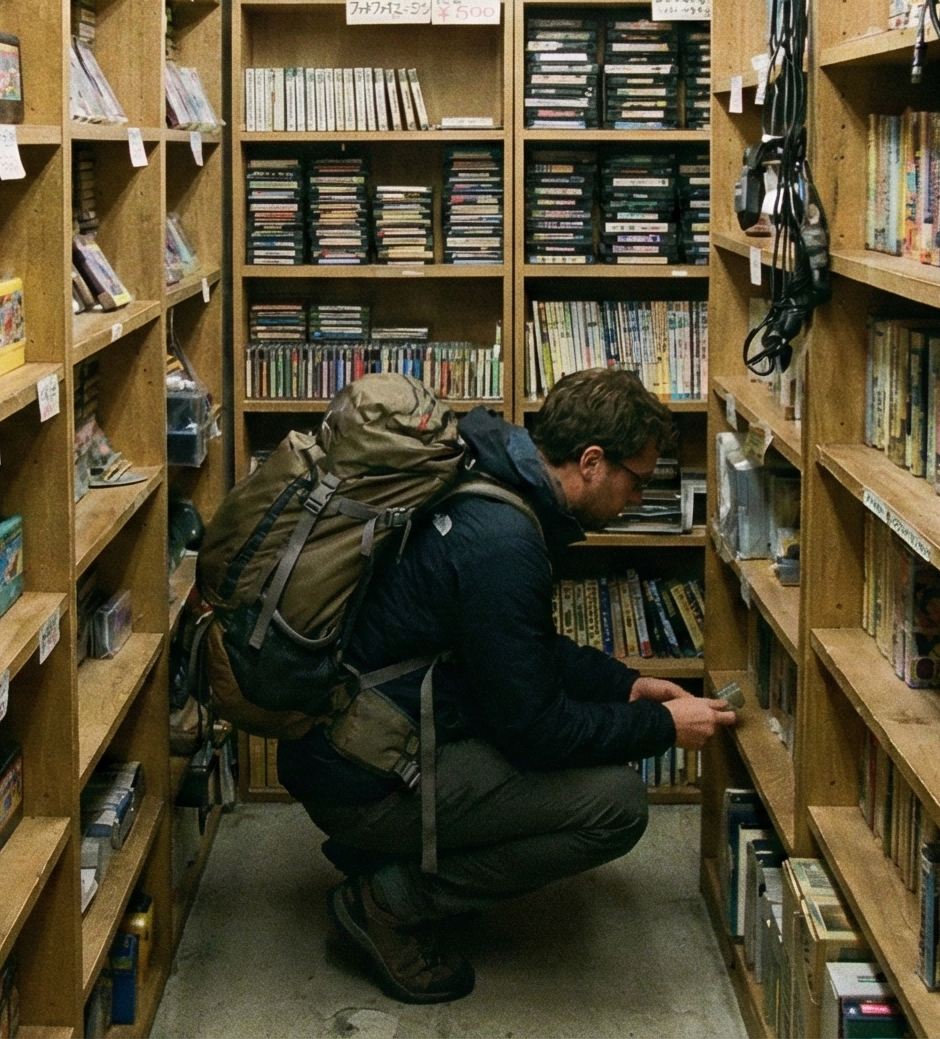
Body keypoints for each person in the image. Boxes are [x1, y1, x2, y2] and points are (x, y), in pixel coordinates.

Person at [280, 367, 740, 1004]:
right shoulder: (504, 541)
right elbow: (535, 731)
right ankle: (385, 900)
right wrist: (662, 728)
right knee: (616, 805)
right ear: (591, 461)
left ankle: (386, 856)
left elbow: (513, 644)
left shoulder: (489, 474)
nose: (639, 498)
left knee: (588, 751)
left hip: (347, 745)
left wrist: (624, 685)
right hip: (364, 774)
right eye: (638, 479)